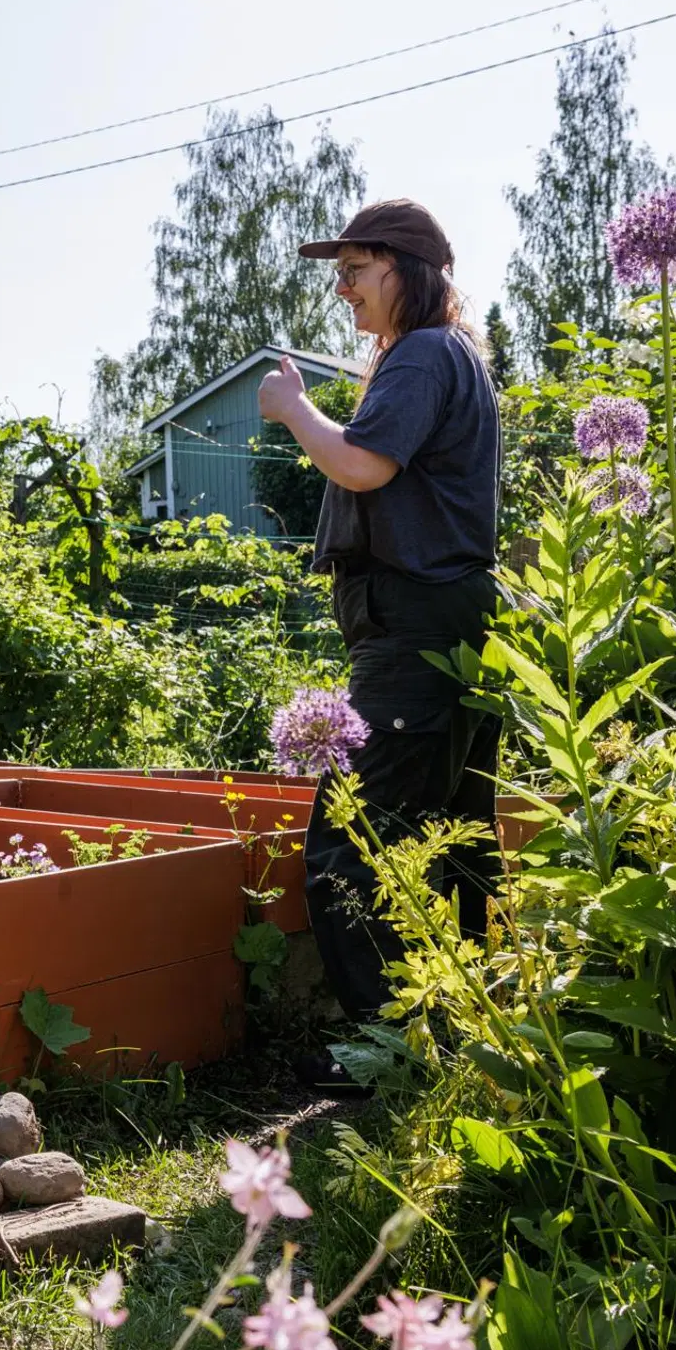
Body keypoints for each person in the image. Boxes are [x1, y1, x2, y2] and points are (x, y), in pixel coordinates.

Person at [255, 198, 500, 1097]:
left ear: (407, 269)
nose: (342, 289)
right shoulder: (449, 358)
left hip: (418, 626)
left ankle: (381, 1054)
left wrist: (294, 410)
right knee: (450, 833)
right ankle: (463, 1033)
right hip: (453, 621)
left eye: (356, 270)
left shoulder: (426, 352)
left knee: (348, 841)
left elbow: (362, 463)